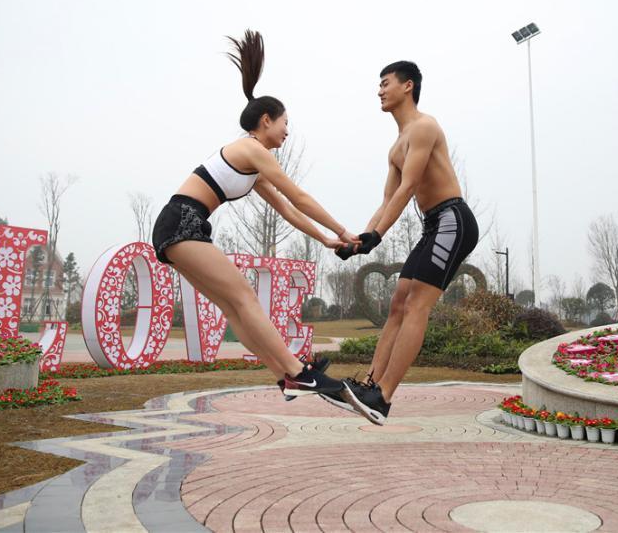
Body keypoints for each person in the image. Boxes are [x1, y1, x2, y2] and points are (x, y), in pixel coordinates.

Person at [151, 30, 354, 398]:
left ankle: (285, 376)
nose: (287, 131)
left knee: (234, 306)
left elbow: (288, 210)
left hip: (181, 224)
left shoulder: (253, 165)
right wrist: (344, 229)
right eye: (285, 123)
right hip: (183, 221)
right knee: (245, 297)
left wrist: (326, 239)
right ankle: (300, 373)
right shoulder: (252, 149)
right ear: (265, 120)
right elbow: (300, 195)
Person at [329, 61, 479, 424]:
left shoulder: (424, 127)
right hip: (432, 225)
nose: (379, 91)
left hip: (452, 220)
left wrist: (376, 237)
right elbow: (387, 201)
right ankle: (369, 384)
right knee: (398, 303)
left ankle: (383, 397)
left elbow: (409, 186)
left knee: (416, 305)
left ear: (407, 86)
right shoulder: (396, 146)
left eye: (385, 83)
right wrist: (357, 239)